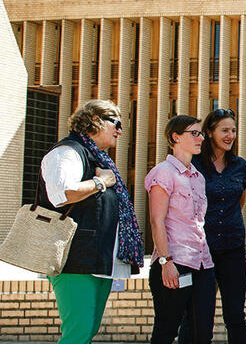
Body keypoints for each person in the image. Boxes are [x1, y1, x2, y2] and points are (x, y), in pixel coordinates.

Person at [40, 99, 143, 344]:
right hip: (74, 260)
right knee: (78, 332)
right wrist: (101, 182)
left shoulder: (98, 158)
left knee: (87, 330)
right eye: (116, 123)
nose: (120, 130)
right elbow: (62, 193)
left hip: (96, 260)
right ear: (95, 121)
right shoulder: (67, 152)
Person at [146, 115, 217, 344]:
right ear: (175, 137)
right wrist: (166, 262)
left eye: (201, 134)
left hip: (203, 263)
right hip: (175, 262)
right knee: (166, 330)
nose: (200, 138)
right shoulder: (164, 172)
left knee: (201, 332)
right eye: (193, 133)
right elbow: (157, 221)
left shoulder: (198, 177)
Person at [182, 108, 246, 344]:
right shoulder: (195, 164)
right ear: (210, 132)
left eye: (233, 130)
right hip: (201, 248)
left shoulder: (239, 165)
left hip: (232, 247)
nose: (230, 135)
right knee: (199, 315)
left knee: (235, 315)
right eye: (224, 130)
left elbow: (239, 199)